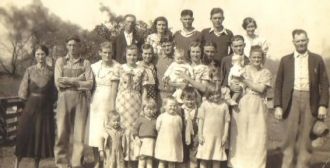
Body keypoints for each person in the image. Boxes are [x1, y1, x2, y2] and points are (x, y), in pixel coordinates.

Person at [274, 29, 329, 168]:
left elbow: (324, 83)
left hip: (311, 100)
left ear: (308, 40)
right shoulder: (285, 60)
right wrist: (278, 105)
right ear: (293, 42)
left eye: (303, 40)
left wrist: (323, 104)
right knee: (289, 138)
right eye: (298, 41)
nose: (301, 43)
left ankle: (302, 165)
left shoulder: (316, 59)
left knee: (306, 139)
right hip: (291, 100)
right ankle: (287, 165)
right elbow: (278, 84)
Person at [54, 35, 94, 168]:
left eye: (75, 45)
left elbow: (89, 84)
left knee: (79, 133)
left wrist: (69, 81)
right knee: (61, 131)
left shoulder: (85, 63)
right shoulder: (60, 61)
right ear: (66, 46)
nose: (72, 48)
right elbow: (59, 83)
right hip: (64, 98)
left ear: (79, 47)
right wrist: (78, 80)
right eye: (70, 45)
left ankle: (76, 163)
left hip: (81, 99)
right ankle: (62, 163)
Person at [229, 46, 272, 168]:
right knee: (242, 135)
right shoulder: (244, 69)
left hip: (258, 105)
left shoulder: (266, 72)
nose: (256, 59)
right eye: (254, 57)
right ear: (250, 58)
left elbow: (260, 88)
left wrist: (245, 81)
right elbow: (234, 82)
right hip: (243, 103)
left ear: (262, 58)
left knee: (257, 136)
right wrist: (234, 86)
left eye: (259, 57)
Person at [15, 45, 56, 168]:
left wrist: (51, 103)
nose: (40, 57)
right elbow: (23, 91)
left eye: (42, 54)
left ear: (46, 55)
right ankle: (16, 164)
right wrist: (22, 105)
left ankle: (36, 165)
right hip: (30, 107)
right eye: (38, 54)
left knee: (40, 137)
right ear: (35, 55)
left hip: (45, 109)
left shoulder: (51, 72)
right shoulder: (29, 70)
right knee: (24, 134)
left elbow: (54, 93)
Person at [88, 41, 120, 168]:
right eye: (105, 53)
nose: (107, 55)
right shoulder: (94, 66)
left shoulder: (117, 66)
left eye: (110, 52)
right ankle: (97, 161)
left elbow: (114, 88)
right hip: (95, 100)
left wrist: (112, 107)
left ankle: (107, 161)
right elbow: (90, 85)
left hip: (109, 100)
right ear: (100, 53)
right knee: (95, 131)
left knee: (108, 131)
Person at [115, 44, 148, 168]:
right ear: (125, 55)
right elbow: (115, 87)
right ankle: (121, 160)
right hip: (122, 101)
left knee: (134, 129)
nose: (132, 57)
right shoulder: (120, 68)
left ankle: (133, 160)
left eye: (134, 55)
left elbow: (144, 89)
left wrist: (143, 104)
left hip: (135, 101)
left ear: (138, 55)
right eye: (129, 55)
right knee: (122, 129)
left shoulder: (141, 69)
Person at [196, 85, 230, 168]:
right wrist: (200, 134)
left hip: (218, 137)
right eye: (212, 94)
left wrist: (225, 136)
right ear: (208, 95)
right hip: (206, 137)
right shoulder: (205, 104)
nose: (216, 96)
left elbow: (227, 121)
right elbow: (201, 120)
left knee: (217, 158)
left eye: (217, 93)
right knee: (204, 158)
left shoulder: (224, 105)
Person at [155, 97, 183, 168]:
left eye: (175, 106)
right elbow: (157, 128)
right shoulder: (161, 117)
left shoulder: (178, 118)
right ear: (165, 106)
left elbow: (180, 128)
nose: (173, 108)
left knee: (172, 161)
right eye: (170, 106)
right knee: (162, 161)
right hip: (164, 143)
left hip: (174, 144)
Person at [133, 99, 158, 168]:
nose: (149, 111)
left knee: (149, 160)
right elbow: (135, 129)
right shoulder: (140, 119)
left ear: (154, 110)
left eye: (151, 109)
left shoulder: (155, 121)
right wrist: (136, 137)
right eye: (147, 109)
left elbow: (157, 131)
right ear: (143, 109)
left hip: (151, 142)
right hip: (142, 142)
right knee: (142, 159)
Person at [180, 86, 200, 168]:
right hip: (183, 136)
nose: (190, 102)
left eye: (192, 99)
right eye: (188, 99)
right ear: (182, 99)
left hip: (194, 135)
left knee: (193, 155)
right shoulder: (180, 109)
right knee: (183, 154)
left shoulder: (198, 110)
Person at [155, 36, 174, 106]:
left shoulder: (177, 59)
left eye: (168, 45)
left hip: (174, 92)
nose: (166, 48)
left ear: (172, 45)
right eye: (164, 46)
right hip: (161, 93)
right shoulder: (156, 59)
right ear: (161, 47)